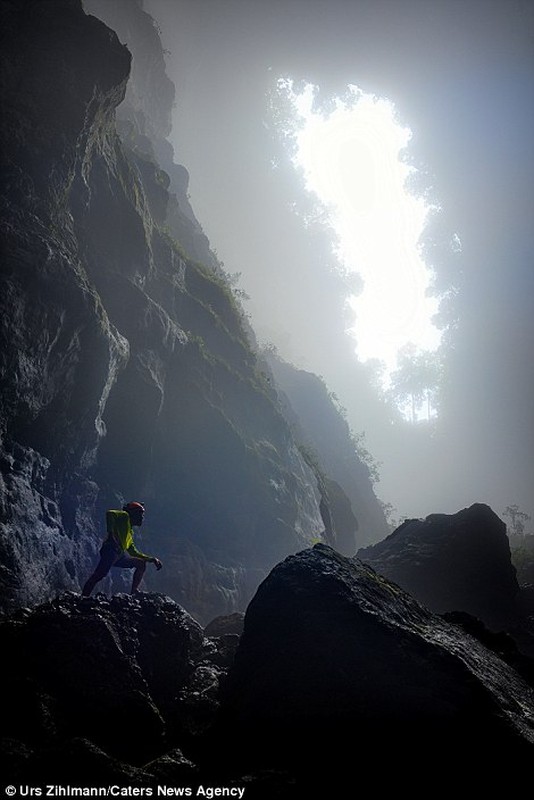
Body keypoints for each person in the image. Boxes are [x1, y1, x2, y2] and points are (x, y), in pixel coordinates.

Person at [82, 501, 162, 596]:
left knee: (141, 563)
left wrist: (151, 559)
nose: (142, 517)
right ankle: (83, 597)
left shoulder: (130, 533)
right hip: (111, 550)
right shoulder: (125, 516)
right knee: (99, 575)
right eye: (140, 513)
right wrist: (111, 533)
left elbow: (133, 552)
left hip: (119, 555)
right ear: (133, 513)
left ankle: (134, 591)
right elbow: (110, 513)